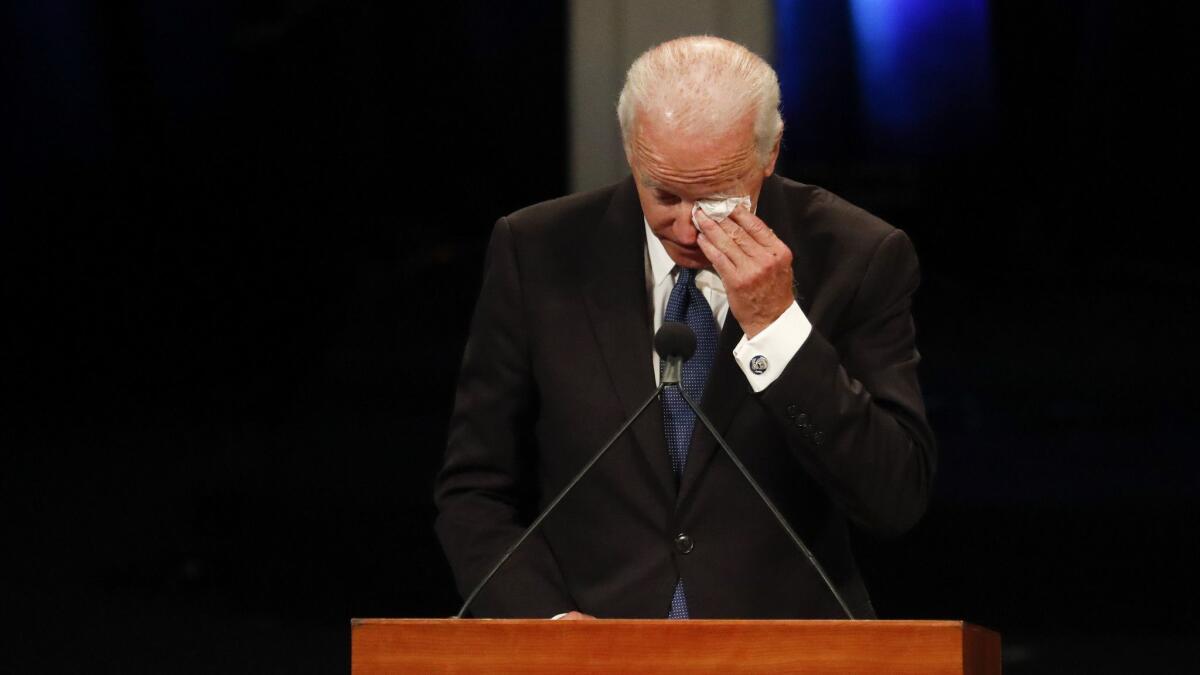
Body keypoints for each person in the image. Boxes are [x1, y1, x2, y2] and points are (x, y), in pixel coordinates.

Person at [434, 35, 935, 619]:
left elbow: (894, 497)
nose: (690, 228)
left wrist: (776, 328)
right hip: (588, 653)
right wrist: (544, 626)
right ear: (631, 150)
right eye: (665, 194)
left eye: (719, 198)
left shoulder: (857, 255)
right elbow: (474, 489)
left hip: (780, 651)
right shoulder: (538, 251)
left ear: (769, 155)